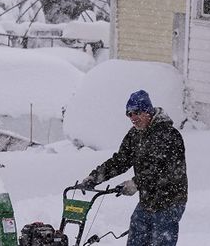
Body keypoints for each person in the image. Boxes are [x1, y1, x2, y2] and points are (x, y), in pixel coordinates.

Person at [75, 89, 188, 246]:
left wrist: (136, 183)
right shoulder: (135, 135)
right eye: (129, 114)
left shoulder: (168, 135)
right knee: (136, 239)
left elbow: (163, 170)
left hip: (169, 201)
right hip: (148, 200)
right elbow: (120, 161)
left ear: (148, 111)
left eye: (137, 113)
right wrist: (95, 177)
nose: (133, 118)